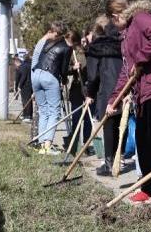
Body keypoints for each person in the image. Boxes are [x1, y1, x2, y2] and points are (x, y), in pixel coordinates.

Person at [105, 0, 151, 212]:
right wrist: (113, 100)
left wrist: (140, 58)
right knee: (142, 141)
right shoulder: (126, 35)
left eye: (113, 21)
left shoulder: (141, 17)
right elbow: (125, 73)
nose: (114, 26)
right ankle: (147, 187)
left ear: (116, 15)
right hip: (142, 93)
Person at [84, 15, 126, 176]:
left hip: (107, 91)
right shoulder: (122, 43)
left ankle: (109, 163)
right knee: (121, 124)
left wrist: (90, 94)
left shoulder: (96, 47)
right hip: (124, 88)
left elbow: (93, 75)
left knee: (108, 127)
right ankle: (119, 158)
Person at [31, 21, 72, 155]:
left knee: (44, 111)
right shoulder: (65, 46)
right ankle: (48, 146)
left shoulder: (45, 44)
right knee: (54, 112)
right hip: (49, 77)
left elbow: (36, 58)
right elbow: (64, 69)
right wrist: (64, 79)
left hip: (36, 75)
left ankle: (43, 145)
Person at [64, 30, 93, 155]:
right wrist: (73, 68)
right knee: (76, 117)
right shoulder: (70, 52)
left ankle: (86, 145)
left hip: (88, 88)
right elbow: (65, 70)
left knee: (88, 118)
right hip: (76, 87)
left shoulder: (89, 51)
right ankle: (74, 145)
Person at [14, 54, 33, 122]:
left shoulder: (23, 66)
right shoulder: (30, 65)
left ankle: (27, 116)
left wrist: (20, 86)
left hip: (25, 86)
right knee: (28, 101)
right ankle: (27, 115)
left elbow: (23, 77)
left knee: (25, 101)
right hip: (31, 85)